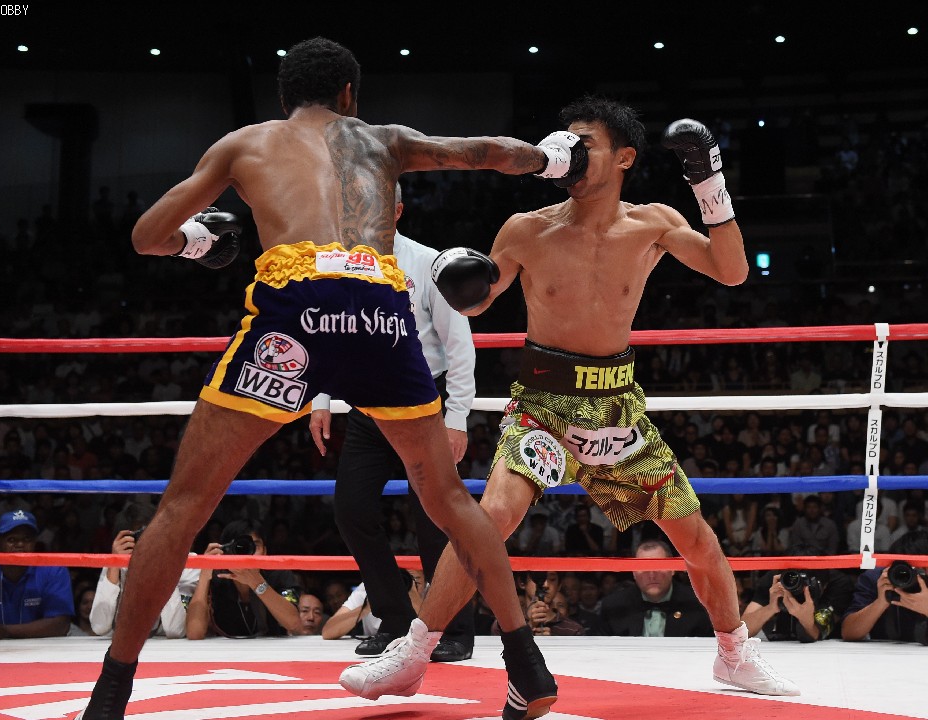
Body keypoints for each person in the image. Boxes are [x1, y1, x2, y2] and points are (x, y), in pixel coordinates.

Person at [73, 36, 584, 720]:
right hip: (380, 311)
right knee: (448, 501)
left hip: (295, 313)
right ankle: (525, 664)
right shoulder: (384, 140)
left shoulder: (245, 144)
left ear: (284, 97)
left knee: (185, 505)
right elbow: (487, 151)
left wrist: (196, 242)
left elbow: (145, 236)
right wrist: (553, 159)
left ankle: (110, 694)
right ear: (350, 95)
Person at [347, 97, 799, 699]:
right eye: (568, 140)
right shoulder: (526, 228)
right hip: (544, 403)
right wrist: (459, 280)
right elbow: (478, 302)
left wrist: (708, 185)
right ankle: (414, 654)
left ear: (625, 157)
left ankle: (734, 655)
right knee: (491, 518)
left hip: (617, 408)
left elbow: (732, 270)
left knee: (695, 538)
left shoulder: (653, 223)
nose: (572, 152)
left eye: (587, 143)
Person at [309, 181, 478, 660]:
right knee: (352, 509)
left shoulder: (428, 263)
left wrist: (457, 417)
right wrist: (320, 398)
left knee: (436, 518)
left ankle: (453, 629)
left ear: (398, 210)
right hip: (367, 405)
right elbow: (331, 335)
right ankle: (395, 618)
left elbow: (459, 344)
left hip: (424, 404)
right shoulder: (337, 263)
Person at [90, 503, 199, 638]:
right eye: (140, 536)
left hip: (170, 648)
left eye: (152, 535)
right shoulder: (116, 565)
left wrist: (163, 567)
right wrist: (115, 564)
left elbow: (175, 630)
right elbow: (99, 627)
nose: (147, 544)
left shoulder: (187, 564)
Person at [185, 520, 303, 639]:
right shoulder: (216, 578)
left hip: (272, 648)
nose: (248, 554)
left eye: (255, 546)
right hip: (225, 648)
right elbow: (194, 633)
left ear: (265, 552)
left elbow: (293, 623)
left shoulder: (279, 575)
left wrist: (257, 583)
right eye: (240, 547)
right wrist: (204, 574)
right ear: (225, 552)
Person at [0, 510, 73, 640]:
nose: (20, 544)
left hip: (43, 649)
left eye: (27, 539)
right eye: (11, 539)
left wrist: (4, 631)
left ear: (35, 542)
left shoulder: (54, 571)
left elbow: (61, 625)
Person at [599, 539, 712, 637]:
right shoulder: (614, 606)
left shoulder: (698, 605)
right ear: (633, 573)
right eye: (644, 568)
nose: (652, 575)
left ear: (673, 569)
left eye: (659, 566)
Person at [841, 530, 928, 644]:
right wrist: (880, 602)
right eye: (905, 568)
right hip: (883, 651)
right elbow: (849, 633)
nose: (912, 576)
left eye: (920, 570)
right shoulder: (879, 579)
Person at [741, 566, 854, 642]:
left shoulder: (838, 584)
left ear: (824, 585)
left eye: (807, 583)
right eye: (793, 579)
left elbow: (816, 633)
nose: (800, 587)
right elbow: (742, 631)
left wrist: (806, 620)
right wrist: (771, 608)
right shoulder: (775, 581)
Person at [322, 569, 425, 640]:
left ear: (425, 579)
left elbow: (428, 635)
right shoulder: (368, 588)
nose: (400, 586)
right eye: (397, 580)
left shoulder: (430, 590)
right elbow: (328, 632)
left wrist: (411, 592)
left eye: (414, 579)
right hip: (376, 655)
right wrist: (368, 606)